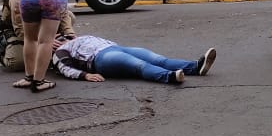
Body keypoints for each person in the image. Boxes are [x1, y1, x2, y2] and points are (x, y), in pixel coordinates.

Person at [53, 35, 217, 85]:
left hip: (116, 48)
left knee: (159, 59)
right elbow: (65, 69)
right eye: (57, 37)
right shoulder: (60, 51)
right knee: (139, 65)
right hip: (100, 58)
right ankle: (170, 77)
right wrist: (85, 76)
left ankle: (196, 67)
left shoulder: (76, 37)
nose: (61, 38)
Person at [0, 0, 77, 72]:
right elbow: (21, 30)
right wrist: (45, 41)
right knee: (16, 62)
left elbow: (63, 13)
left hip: (44, 24)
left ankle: (51, 49)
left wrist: (70, 36)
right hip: (18, 31)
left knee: (70, 16)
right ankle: (4, 51)